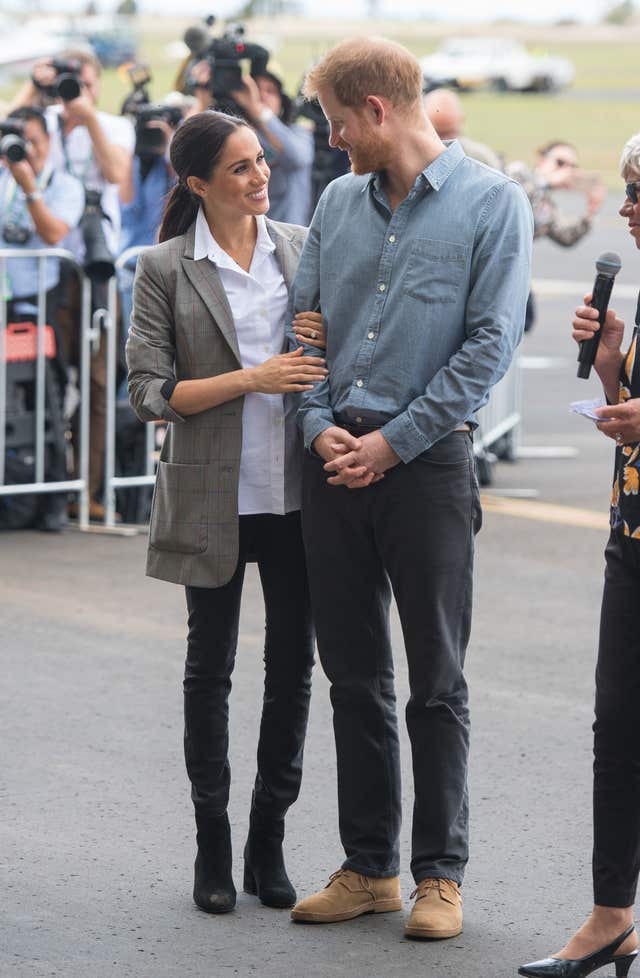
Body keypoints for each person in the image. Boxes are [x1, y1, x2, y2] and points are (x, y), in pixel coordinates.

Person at [285, 37, 533, 939]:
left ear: (377, 111)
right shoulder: (337, 202)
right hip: (333, 463)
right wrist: (320, 428)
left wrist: (389, 443)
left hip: (424, 466)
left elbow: (487, 349)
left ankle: (440, 876)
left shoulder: (493, 203)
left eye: (338, 122)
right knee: (353, 674)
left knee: (436, 678)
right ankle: (369, 868)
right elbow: (301, 334)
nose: (334, 141)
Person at [126, 110, 327, 915]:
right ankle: (212, 842)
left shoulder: (300, 248)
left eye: (261, 161)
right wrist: (254, 378)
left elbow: (328, 361)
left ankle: (266, 839)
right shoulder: (165, 267)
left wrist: (320, 339)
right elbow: (147, 393)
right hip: (211, 499)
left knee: (293, 674)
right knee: (208, 673)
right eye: (240, 167)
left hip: (293, 495)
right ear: (198, 183)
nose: (260, 177)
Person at [518, 132, 640, 978]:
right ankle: (610, 916)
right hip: (630, 537)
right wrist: (609, 372)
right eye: (628, 191)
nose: (627, 207)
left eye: (639, 192)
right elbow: (630, 418)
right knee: (618, 731)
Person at [12, 50, 135, 519]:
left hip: (96, 266)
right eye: (65, 82)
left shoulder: (111, 124)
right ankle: (49, 482)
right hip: (49, 270)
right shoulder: (38, 121)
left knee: (99, 380)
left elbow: (119, 177)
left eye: (80, 81)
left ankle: (91, 490)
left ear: (97, 84)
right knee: (49, 376)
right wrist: (33, 85)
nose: (71, 90)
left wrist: (87, 120)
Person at [0, 106, 85, 531]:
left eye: (33, 140)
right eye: (17, 139)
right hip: (6, 302)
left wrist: (29, 187)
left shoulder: (63, 184)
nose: (25, 149)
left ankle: (52, 497)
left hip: (42, 305)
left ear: (49, 142)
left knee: (46, 403)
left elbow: (54, 233)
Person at [189, 63, 314, 225]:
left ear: (282, 100)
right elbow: (179, 158)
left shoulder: (297, 133)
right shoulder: (235, 139)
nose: (260, 96)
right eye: (254, 89)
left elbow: (298, 157)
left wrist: (256, 108)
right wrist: (202, 103)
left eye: (270, 91)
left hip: (288, 239)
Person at [507, 141, 606, 333]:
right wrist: (547, 182)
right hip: (486, 257)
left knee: (524, 319)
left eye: (572, 167)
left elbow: (566, 237)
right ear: (542, 161)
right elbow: (512, 195)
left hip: (512, 267)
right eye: (560, 163)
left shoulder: (546, 206)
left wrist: (591, 212)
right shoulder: (518, 172)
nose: (566, 170)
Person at [423, 87, 502, 170]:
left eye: (450, 134)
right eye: (438, 134)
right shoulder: (414, 161)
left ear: (462, 120)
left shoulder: (481, 158)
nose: (446, 142)